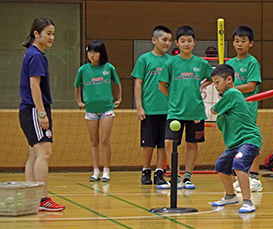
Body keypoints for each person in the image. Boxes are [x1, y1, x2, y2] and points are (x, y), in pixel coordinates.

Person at [158, 26, 213, 189]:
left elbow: (213, 77)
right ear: (177, 43)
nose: (186, 44)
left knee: (192, 144)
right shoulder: (171, 62)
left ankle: (188, 177)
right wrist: (174, 98)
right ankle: (175, 176)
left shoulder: (201, 63)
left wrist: (203, 86)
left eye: (189, 41)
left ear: (194, 42)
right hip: (175, 111)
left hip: (195, 111)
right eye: (183, 41)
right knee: (169, 143)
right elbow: (162, 86)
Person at [19, 17, 65, 212]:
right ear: (36, 34)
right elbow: (34, 86)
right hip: (33, 108)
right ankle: (41, 199)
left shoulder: (31, 54)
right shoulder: (36, 55)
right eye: (48, 33)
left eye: (53, 34)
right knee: (45, 153)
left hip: (29, 109)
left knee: (34, 154)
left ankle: (32, 195)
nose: (51, 37)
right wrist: (41, 113)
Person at [210, 64, 262, 213]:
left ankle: (247, 202)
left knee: (239, 165)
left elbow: (213, 110)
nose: (216, 86)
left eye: (217, 82)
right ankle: (230, 196)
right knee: (221, 165)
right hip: (234, 143)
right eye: (213, 83)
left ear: (229, 79)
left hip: (249, 139)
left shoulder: (232, 93)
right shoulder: (228, 99)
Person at [74, 40, 122, 182]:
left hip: (107, 109)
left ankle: (106, 170)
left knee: (104, 140)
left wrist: (119, 99)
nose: (92, 55)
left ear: (101, 53)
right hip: (90, 110)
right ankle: (95, 170)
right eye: (89, 52)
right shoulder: (83, 69)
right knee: (94, 141)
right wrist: (79, 101)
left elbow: (118, 83)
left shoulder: (109, 68)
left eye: (95, 52)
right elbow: (77, 86)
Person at [131, 26, 172, 185]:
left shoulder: (171, 61)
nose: (167, 43)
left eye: (169, 40)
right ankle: (145, 171)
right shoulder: (144, 59)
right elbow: (138, 84)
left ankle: (159, 172)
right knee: (148, 144)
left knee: (163, 144)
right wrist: (139, 107)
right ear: (154, 40)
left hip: (167, 110)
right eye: (164, 39)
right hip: (149, 109)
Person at [226, 26, 263, 192]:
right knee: (237, 142)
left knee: (250, 142)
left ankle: (254, 177)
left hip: (247, 109)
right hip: (233, 110)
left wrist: (232, 88)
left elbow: (250, 86)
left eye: (243, 41)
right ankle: (242, 176)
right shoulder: (230, 64)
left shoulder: (252, 62)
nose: (239, 44)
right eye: (236, 41)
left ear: (251, 43)